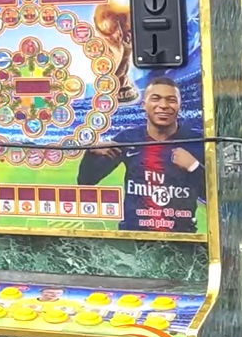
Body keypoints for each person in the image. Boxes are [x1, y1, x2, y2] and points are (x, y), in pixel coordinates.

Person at [77, 74, 205, 233]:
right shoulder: (128, 138)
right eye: (155, 98)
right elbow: (86, 181)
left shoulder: (196, 142)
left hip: (181, 238)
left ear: (180, 106)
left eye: (171, 100)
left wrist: (193, 167)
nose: (163, 105)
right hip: (134, 237)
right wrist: (91, 154)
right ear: (144, 105)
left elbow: (213, 196)